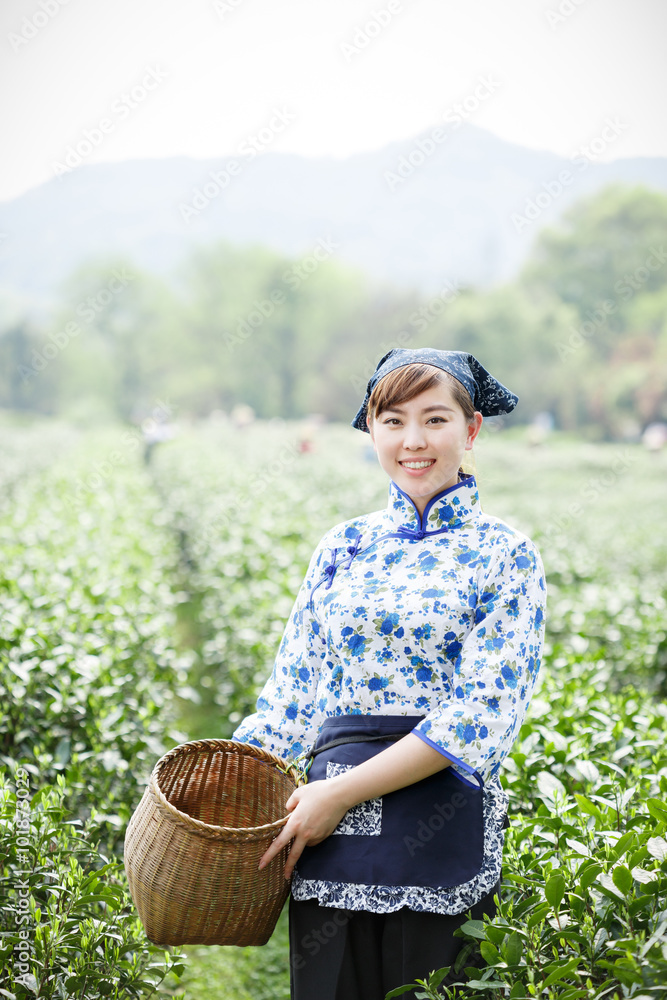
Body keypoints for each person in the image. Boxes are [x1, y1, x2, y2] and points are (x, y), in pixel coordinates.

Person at [232, 347, 546, 999]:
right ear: (370, 430)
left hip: (434, 823)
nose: (413, 441)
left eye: (434, 420)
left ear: (471, 430)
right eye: (392, 420)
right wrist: (227, 787)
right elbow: (291, 696)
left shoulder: (504, 555)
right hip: (326, 835)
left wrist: (340, 795)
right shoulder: (342, 546)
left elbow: (476, 718)